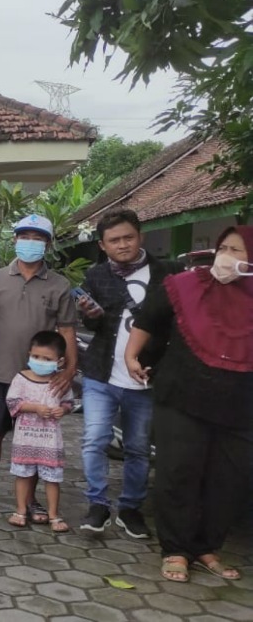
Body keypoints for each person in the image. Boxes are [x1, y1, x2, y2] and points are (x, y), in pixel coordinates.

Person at [126, 226, 253, 583]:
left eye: (237, 250)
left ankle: (206, 547)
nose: (226, 257)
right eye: (223, 247)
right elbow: (148, 318)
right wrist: (131, 354)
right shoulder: (186, 285)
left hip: (240, 406)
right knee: (179, 473)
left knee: (228, 482)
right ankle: (177, 550)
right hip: (182, 395)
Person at [77, 210, 182, 537]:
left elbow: (177, 323)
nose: (122, 245)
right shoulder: (95, 275)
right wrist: (90, 314)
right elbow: (94, 325)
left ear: (141, 237)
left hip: (145, 377)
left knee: (137, 448)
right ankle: (97, 504)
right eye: (114, 240)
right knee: (95, 440)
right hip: (100, 374)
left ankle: (130, 508)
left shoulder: (169, 273)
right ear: (103, 245)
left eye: (128, 237)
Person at [0, 214, 77, 521]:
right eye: (24, 236)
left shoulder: (59, 285)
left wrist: (68, 372)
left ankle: (29, 500)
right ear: (15, 240)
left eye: (38, 238)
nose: (30, 242)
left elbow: (67, 330)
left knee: (36, 439)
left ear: (48, 244)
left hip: (40, 380)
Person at [6, 331, 75, 532]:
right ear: (29, 354)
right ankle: (20, 510)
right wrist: (35, 408)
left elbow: (69, 403)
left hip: (50, 441)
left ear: (59, 361)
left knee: (53, 478)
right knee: (23, 475)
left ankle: (54, 515)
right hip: (25, 440)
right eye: (36, 357)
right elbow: (12, 402)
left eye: (47, 359)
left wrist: (63, 409)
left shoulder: (59, 381)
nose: (40, 362)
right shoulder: (21, 378)